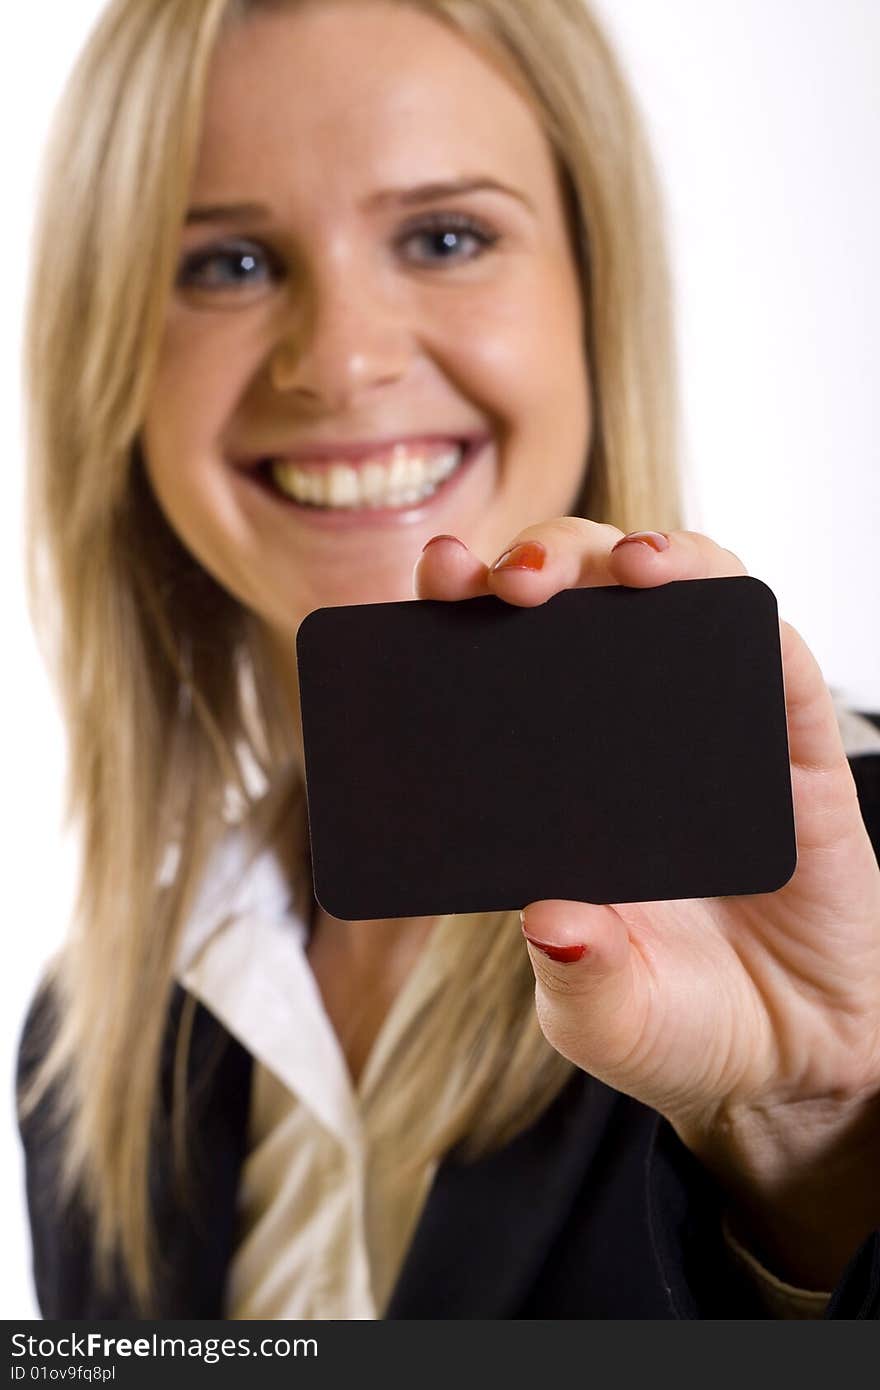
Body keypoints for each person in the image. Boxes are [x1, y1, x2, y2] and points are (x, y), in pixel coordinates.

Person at [15, 0, 880, 1321]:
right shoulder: (89, 1047)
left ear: (596, 288)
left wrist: (813, 1145)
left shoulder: (845, 902)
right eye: (230, 263)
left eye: (446, 236)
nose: (344, 361)